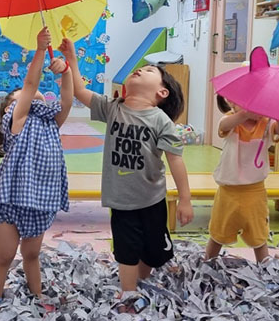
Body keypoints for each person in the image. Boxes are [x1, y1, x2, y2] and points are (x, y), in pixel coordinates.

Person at [58, 38, 193, 295]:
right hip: (121, 200)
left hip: (152, 199)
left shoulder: (161, 121)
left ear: (161, 93)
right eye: (140, 68)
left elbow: (175, 159)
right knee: (126, 249)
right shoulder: (113, 108)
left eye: (150, 70)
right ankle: (128, 291)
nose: (140, 69)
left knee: (153, 251)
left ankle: (142, 279)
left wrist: (185, 198)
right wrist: (72, 58)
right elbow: (79, 91)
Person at [0, 28, 72, 301]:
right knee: (5, 255)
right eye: (18, 94)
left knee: (32, 255)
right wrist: (41, 50)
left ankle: (38, 297)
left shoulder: (49, 121)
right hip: (11, 199)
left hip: (40, 200)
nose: (28, 93)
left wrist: (66, 71)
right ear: (11, 106)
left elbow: (67, 101)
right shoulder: (17, 120)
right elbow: (31, 85)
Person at [205, 95, 279, 262]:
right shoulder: (231, 120)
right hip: (228, 190)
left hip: (255, 190)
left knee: (259, 235)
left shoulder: (266, 123)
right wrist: (245, 114)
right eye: (248, 102)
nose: (255, 107)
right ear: (231, 102)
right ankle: (207, 263)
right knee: (219, 232)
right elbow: (223, 125)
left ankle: (265, 267)